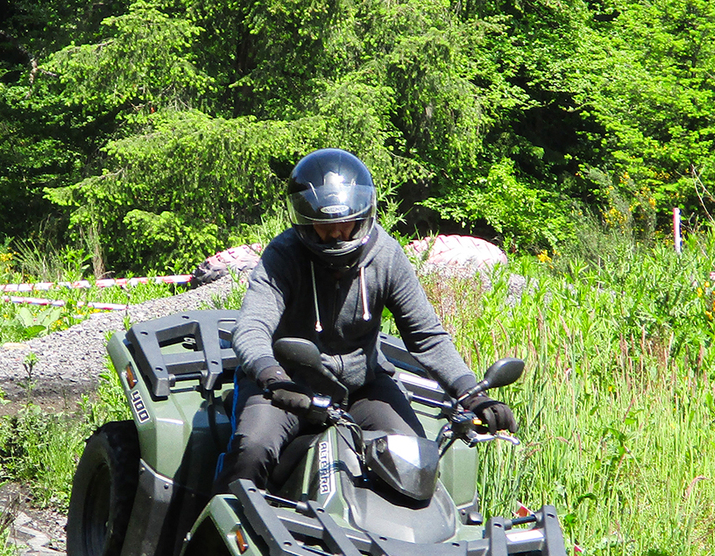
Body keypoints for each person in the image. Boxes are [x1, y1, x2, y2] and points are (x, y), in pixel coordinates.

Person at [216, 147, 516, 492]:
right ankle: (216, 529)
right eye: (324, 225)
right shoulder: (284, 255)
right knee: (252, 451)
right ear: (305, 218)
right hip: (287, 386)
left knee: (415, 463)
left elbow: (427, 337)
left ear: (363, 214)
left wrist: (471, 394)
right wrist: (273, 377)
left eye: (345, 222)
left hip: (362, 386)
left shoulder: (385, 255)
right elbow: (251, 327)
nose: (335, 234)